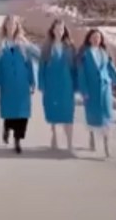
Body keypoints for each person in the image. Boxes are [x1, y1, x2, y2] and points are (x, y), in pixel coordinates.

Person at [77, 28, 116, 158]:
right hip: (91, 90)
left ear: (101, 39)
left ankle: (106, 146)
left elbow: (111, 68)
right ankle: (91, 136)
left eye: (98, 37)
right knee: (92, 116)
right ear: (89, 39)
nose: (96, 39)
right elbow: (82, 75)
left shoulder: (104, 52)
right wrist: (84, 91)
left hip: (105, 89)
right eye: (93, 37)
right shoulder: (84, 54)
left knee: (107, 116)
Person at [0, 15, 35, 154]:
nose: (11, 27)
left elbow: (29, 64)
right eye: (9, 24)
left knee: (23, 113)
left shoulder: (23, 42)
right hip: (7, 82)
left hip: (22, 82)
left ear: (17, 26)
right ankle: (7, 128)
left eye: (14, 24)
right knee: (10, 110)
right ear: (5, 26)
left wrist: (32, 81)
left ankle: (18, 140)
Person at [38, 19, 77, 152]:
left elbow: (75, 68)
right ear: (52, 30)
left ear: (64, 30)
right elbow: (41, 67)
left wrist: (76, 85)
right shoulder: (47, 47)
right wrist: (41, 84)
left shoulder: (70, 46)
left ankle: (69, 143)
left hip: (66, 84)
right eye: (57, 29)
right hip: (51, 83)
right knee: (53, 111)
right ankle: (54, 134)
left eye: (61, 29)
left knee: (68, 113)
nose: (59, 32)